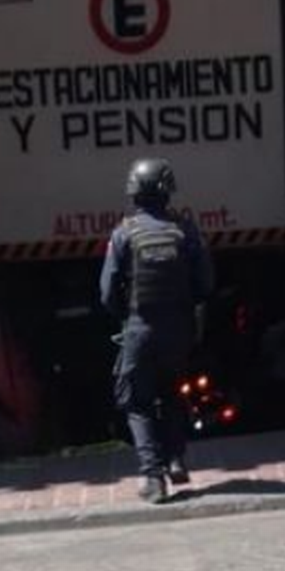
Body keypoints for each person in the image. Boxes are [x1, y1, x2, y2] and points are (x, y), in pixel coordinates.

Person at [99, 158, 214, 504]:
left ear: (133, 191)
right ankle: (176, 458)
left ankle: (153, 478)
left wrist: (127, 317)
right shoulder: (186, 230)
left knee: (137, 401)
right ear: (167, 190)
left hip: (140, 329)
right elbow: (206, 284)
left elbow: (107, 292)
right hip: (179, 330)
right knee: (173, 392)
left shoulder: (123, 233)